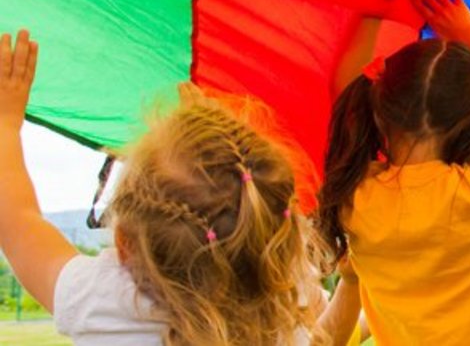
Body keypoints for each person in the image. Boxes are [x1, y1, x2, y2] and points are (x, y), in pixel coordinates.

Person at [0, 30, 334, 345]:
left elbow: (17, 222)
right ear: (278, 237)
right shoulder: (284, 311)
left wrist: (6, 121)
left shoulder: (104, 300)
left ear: (124, 244)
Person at [315, 0, 470, 344]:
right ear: (468, 121)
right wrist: (466, 30)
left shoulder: (358, 198)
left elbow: (343, 92)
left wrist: (373, 8)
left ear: (379, 113)